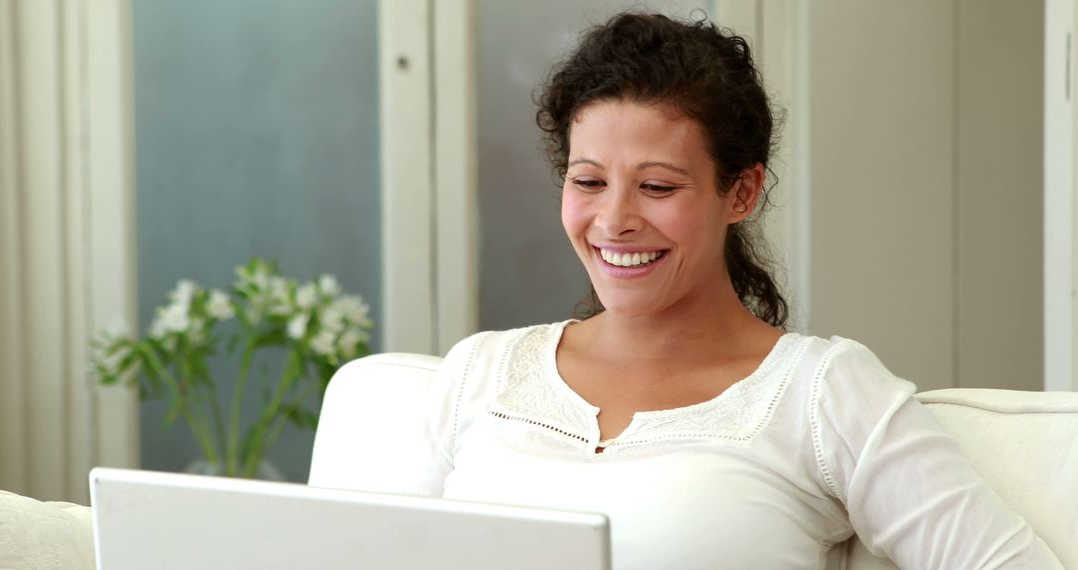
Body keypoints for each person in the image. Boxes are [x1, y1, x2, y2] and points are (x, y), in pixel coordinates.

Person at [407, 12, 1063, 569]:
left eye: (657, 186)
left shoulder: (822, 394)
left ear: (741, 192)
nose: (613, 220)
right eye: (587, 182)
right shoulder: (480, 374)